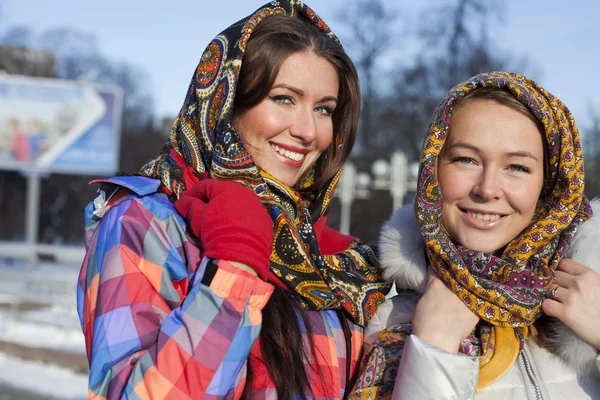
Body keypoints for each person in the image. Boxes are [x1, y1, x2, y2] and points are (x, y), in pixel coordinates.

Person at [76, 2, 391, 399]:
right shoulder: (145, 222)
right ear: (226, 105)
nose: (309, 131)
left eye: (324, 109)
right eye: (284, 99)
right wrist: (234, 265)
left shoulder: (339, 266)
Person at [352, 71, 600, 399]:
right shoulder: (384, 321)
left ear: (549, 185)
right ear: (433, 170)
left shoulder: (591, 297)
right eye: (466, 159)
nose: (487, 189)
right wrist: (433, 347)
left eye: (517, 167)